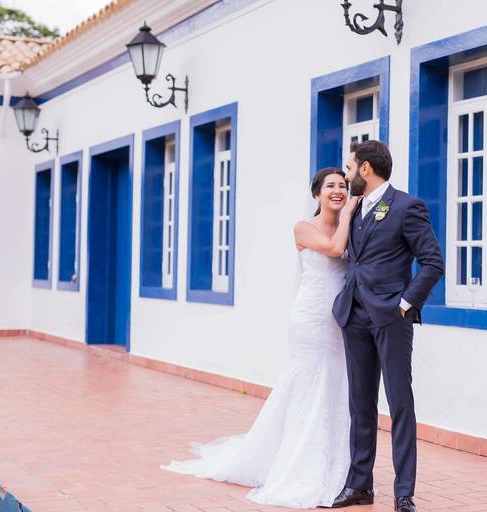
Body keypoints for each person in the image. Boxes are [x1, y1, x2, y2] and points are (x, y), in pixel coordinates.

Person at [161, 168, 361, 508]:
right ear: (317, 194)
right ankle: (300, 465)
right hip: (311, 320)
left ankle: (336, 467)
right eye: (330, 186)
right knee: (309, 389)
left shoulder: (349, 226)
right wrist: (352, 210)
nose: (338, 191)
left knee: (335, 389)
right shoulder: (304, 228)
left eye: (343, 186)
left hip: (339, 322)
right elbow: (333, 247)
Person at [329, 140, 445, 512]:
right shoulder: (355, 208)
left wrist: (405, 304)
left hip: (392, 319)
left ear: (366, 168)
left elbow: (433, 262)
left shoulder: (407, 207)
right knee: (360, 405)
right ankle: (359, 485)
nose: (346, 175)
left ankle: (404, 493)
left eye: (349, 168)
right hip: (354, 316)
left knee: (400, 404)